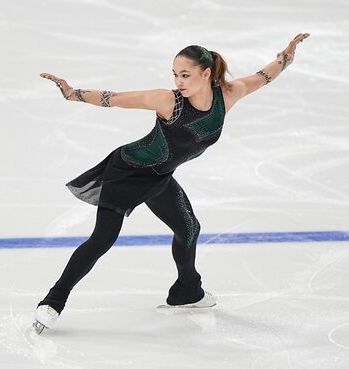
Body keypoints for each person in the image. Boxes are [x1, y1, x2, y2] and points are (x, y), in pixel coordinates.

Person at [32, 33, 311, 334]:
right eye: (176, 74)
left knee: (189, 228)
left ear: (206, 74)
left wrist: (285, 57)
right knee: (102, 239)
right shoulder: (168, 101)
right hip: (127, 172)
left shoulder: (227, 95)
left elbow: (263, 76)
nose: (179, 81)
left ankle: (187, 292)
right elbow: (114, 99)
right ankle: (52, 302)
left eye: (186, 75)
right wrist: (74, 93)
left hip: (159, 178)